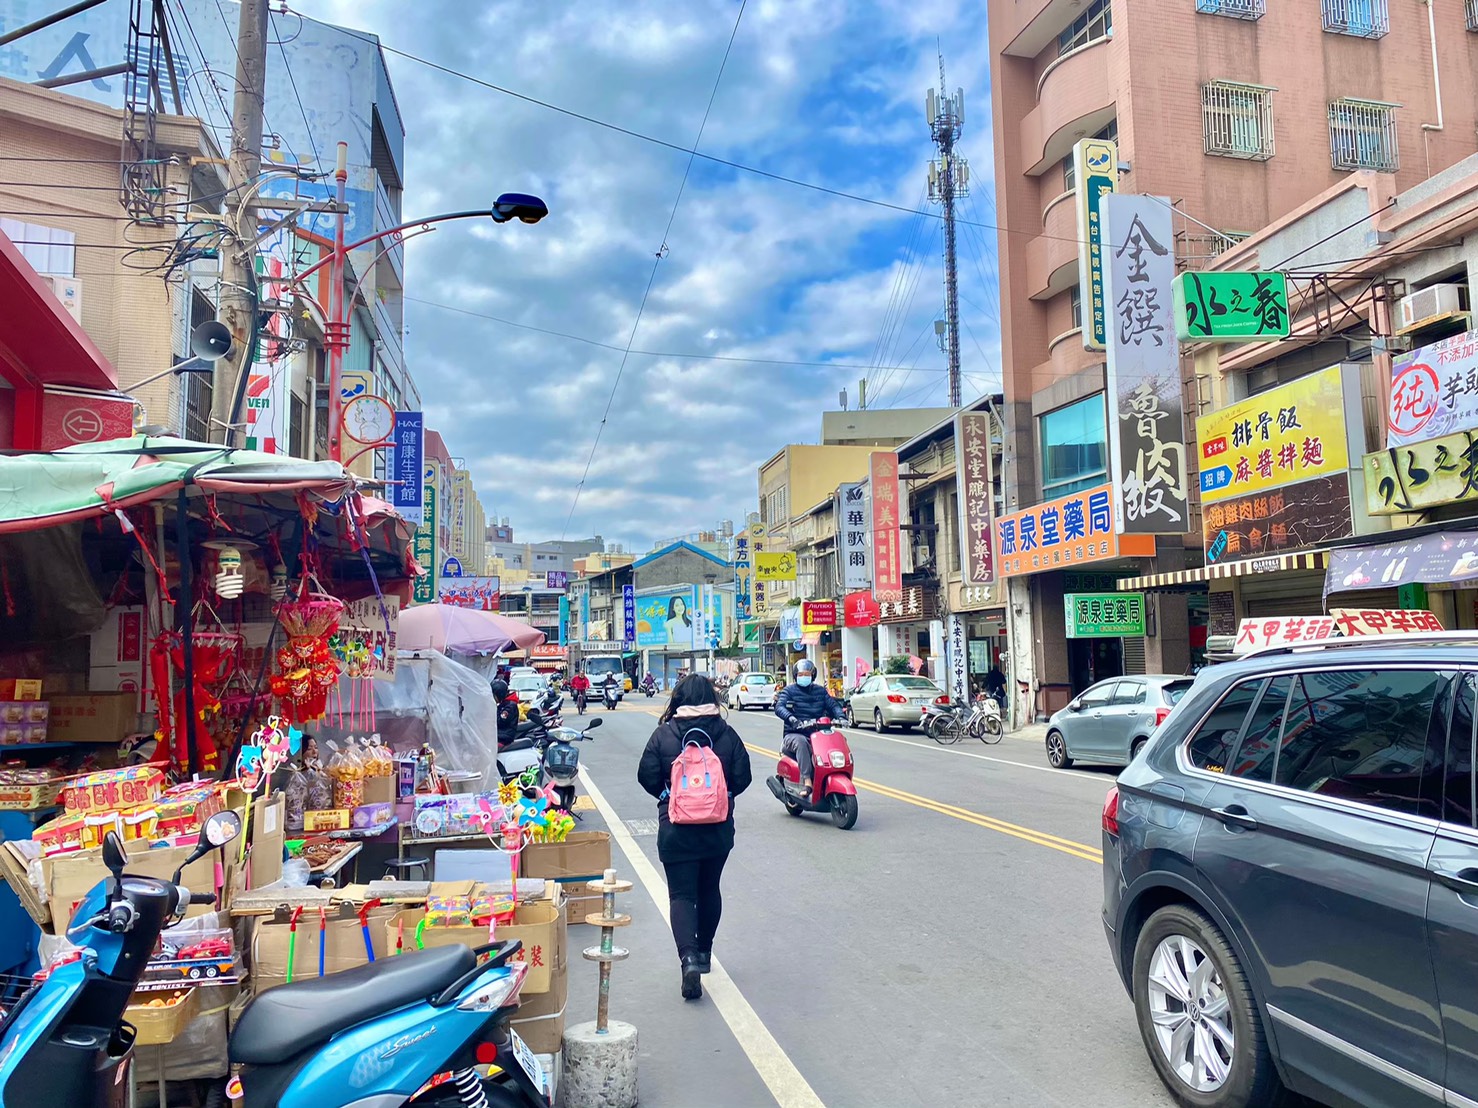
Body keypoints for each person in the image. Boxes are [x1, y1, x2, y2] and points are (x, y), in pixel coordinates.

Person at [637, 675, 752, 1000]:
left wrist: (667, 795)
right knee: (709, 888)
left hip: (676, 828)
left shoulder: (665, 734)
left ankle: (687, 959)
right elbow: (743, 777)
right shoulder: (726, 734)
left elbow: (646, 775)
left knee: (682, 895)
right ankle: (703, 953)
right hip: (717, 829)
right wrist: (723, 796)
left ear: (679, 699)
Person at [774, 659, 847, 791]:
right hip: (794, 734)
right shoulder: (789, 691)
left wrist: (841, 717)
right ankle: (807, 780)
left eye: (807, 674)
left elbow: (833, 705)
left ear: (813, 676)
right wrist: (792, 719)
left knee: (838, 739)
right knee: (801, 742)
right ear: (795, 676)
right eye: (801, 674)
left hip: (818, 734)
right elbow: (780, 707)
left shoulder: (820, 691)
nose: (804, 677)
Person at [492, 679, 518, 748]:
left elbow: (500, 721)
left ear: (500, 694)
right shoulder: (503, 704)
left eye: (494, 695)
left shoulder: (510, 706)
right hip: (499, 735)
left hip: (504, 737)